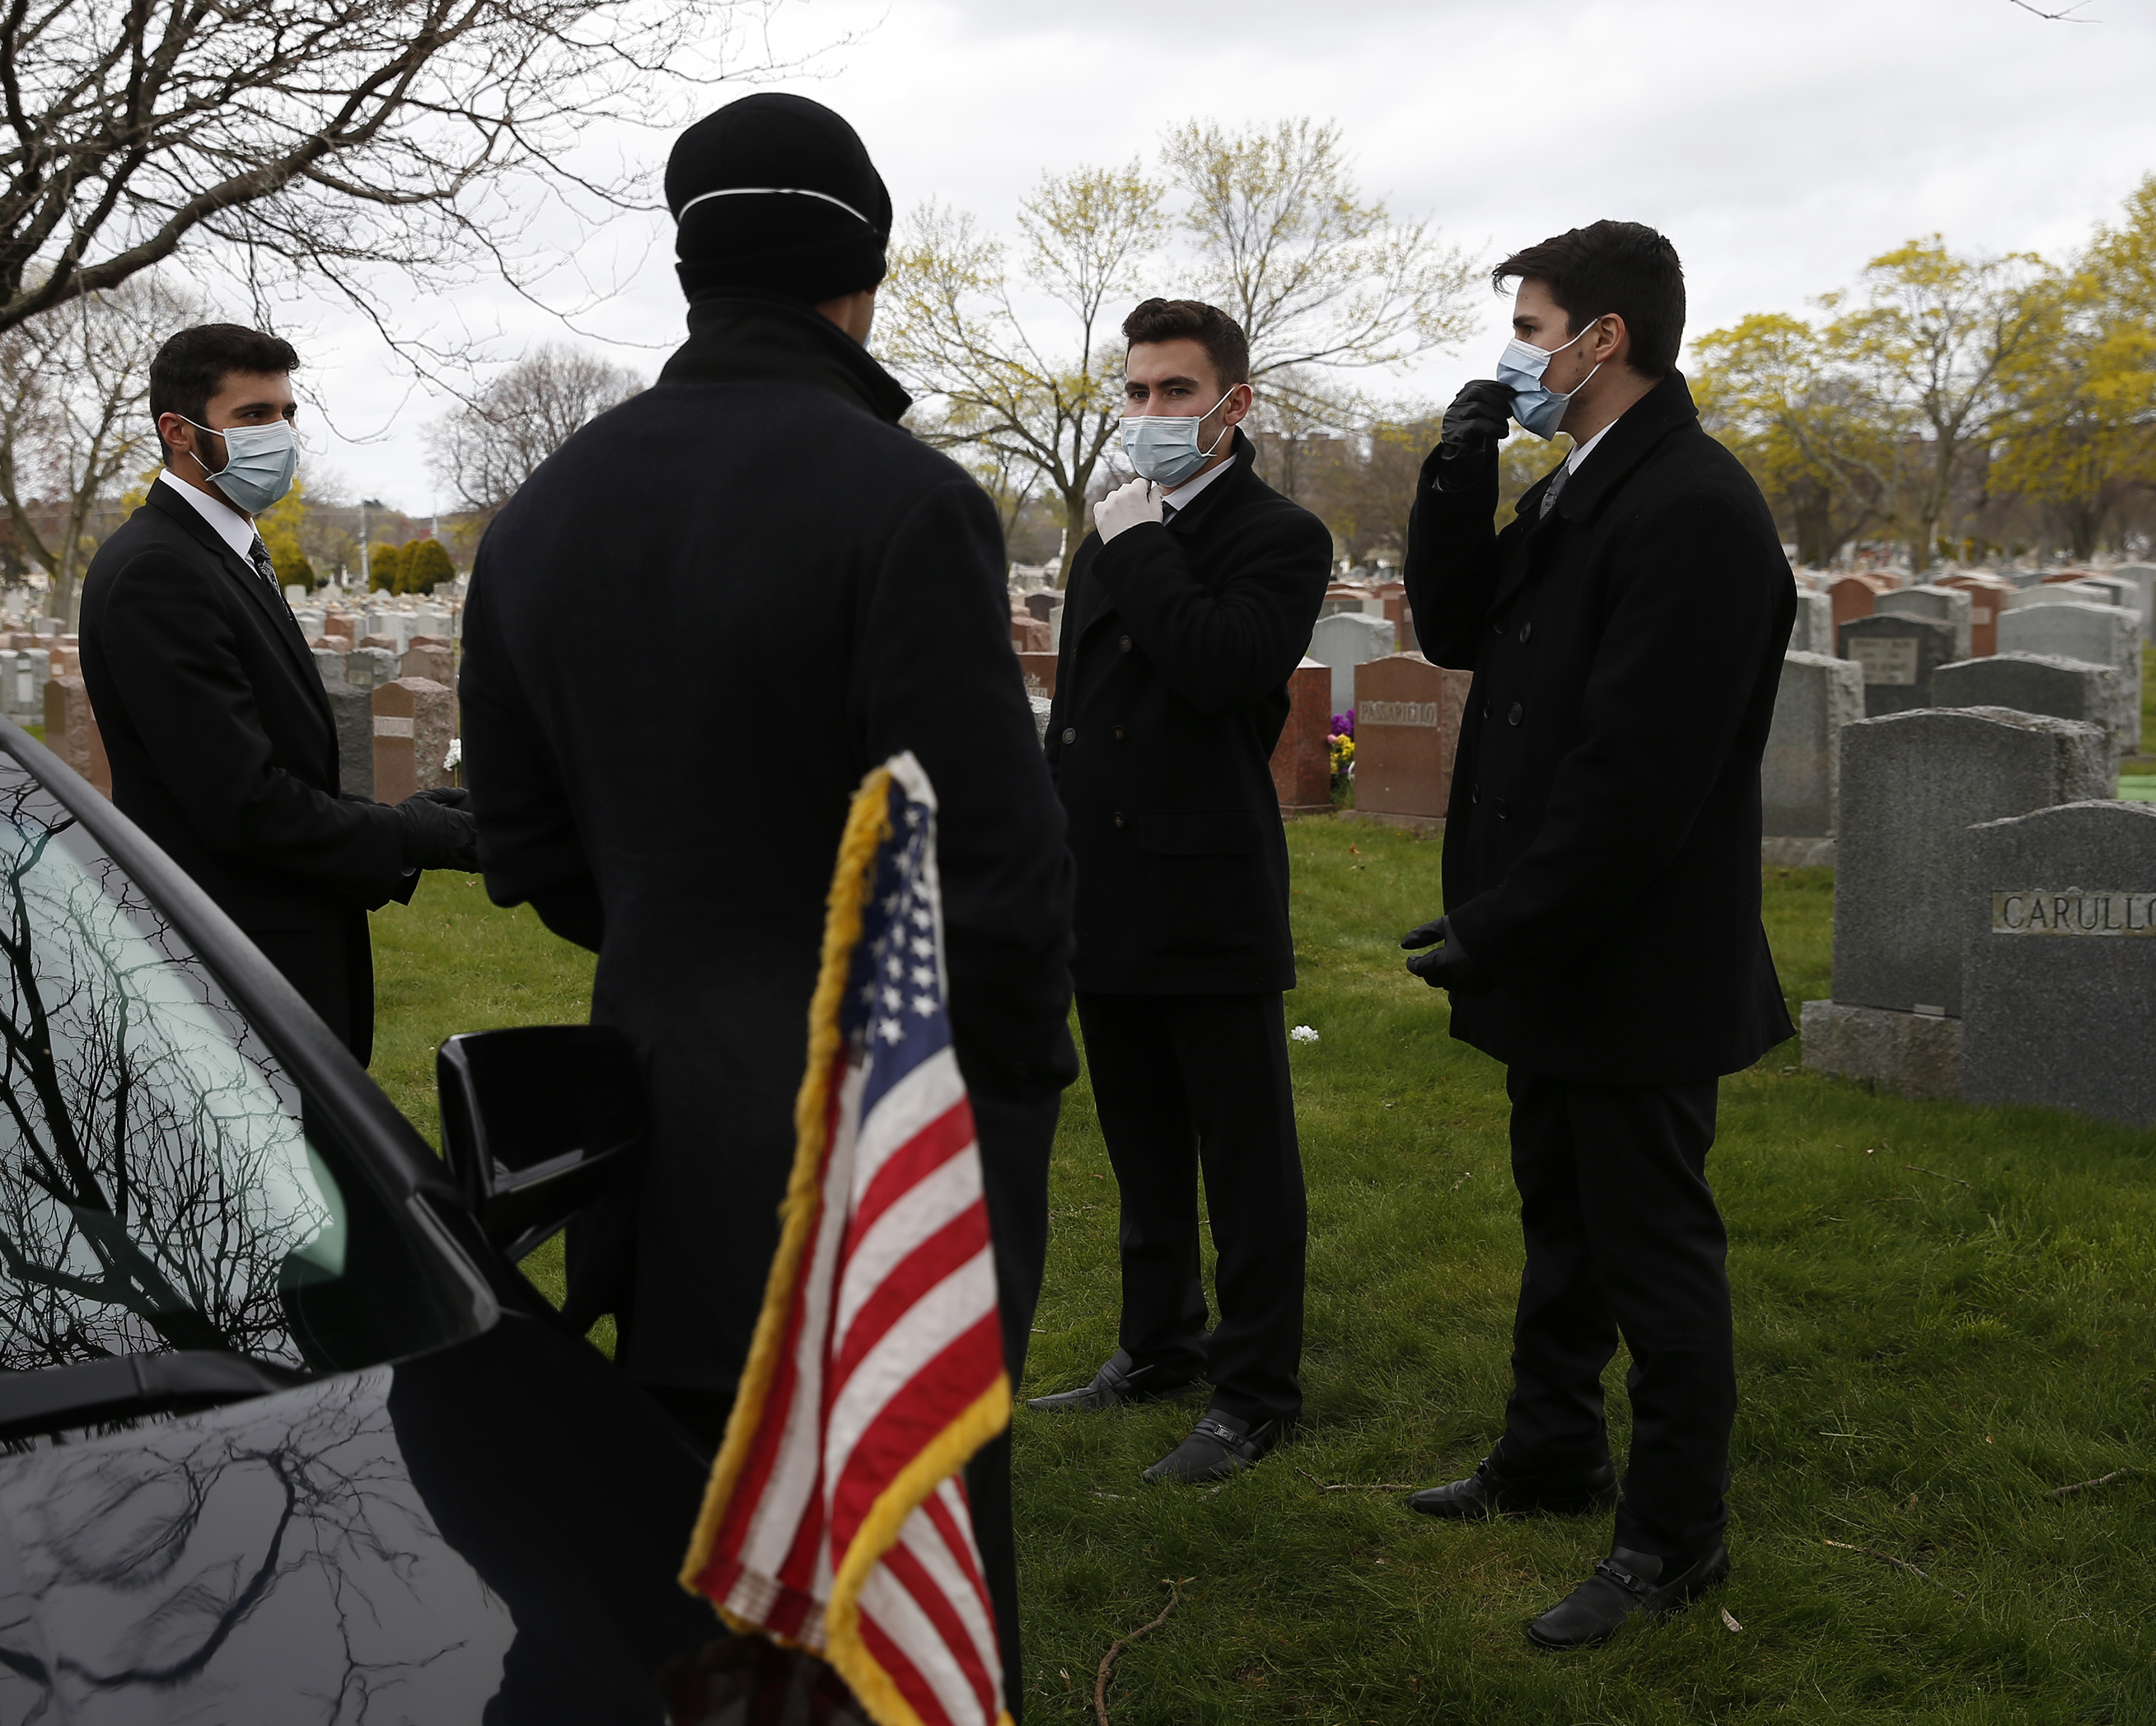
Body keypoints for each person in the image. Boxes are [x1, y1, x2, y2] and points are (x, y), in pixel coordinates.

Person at [456, 94, 1076, 1701]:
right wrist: (993, 1112)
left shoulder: (540, 518)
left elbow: (525, 855)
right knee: (891, 1611)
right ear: (856, 272)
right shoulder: (900, 501)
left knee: (684, 1582)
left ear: (692, 267)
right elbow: (992, 878)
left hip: (659, 1136)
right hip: (880, 1159)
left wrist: (684, 938)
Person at [1396, 221, 1794, 1650]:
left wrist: (1507, 920)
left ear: (1601, 338)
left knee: (1651, 1248)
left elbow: (1640, 776)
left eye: (1532, 321)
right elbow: (1455, 629)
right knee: (1559, 1217)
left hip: (1631, 955)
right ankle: (1550, 1451)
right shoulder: (1581, 486)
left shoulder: (1689, 506)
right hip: (1560, 945)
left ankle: (1676, 1536)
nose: (1519, 346)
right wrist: (1459, 466)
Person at [1022, 300, 1331, 1485]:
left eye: (1176, 392)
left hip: (1209, 887)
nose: (1151, 414)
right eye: (1138, 392)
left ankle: (1256, 1390)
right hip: (1100, 882)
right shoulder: (1106, 535)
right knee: (1140, 1139)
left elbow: (1221, 670)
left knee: (1243, 1155)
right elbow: (1080, 712)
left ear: (1233, 404)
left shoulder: (1280, 534)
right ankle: (1159, 1343)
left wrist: (1144, 541)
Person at [81, 324, 477, 1062]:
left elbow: (281, 767)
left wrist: (399, 816)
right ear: (178, 432)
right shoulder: (158, 571)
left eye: (288, 413)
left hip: (282, 952)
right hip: (234, 971)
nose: (283, 433)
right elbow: (241, 804)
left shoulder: (225, 550)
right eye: (254, 415)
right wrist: (414, 835)